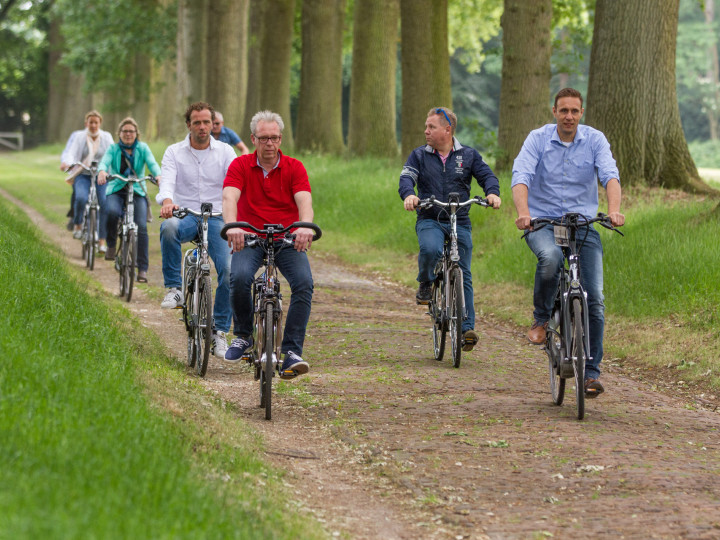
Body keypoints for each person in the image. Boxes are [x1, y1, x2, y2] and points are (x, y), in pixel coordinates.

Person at [511, 87, 625, 398]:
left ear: (581, 113)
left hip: (582, 224)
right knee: (549, 259)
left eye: (574, 111)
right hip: (544, 223)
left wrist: (613, 210)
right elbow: (520, 175)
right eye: (564, 111)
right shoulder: (538, 139)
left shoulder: (595, 140)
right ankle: (542, 318)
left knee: (595, 299)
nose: (569, 117)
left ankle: (590, 373)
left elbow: (610, 175)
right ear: (554, 111)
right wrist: (524, 213)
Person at [222, 110, 316, 379]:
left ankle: (292, 351)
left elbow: (304, 200)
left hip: (286, 238)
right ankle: (242, 336)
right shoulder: (240, 165)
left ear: (281, 139)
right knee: (239, 277)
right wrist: (233, 225)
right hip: (249, 236)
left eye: (274, 138)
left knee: (304, 283)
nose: (269, 144)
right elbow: (229, 197)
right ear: (253, 139)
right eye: (263, 138)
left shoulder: (294, 167)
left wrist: (304, 226)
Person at [399, 107, 502, 352]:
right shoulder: (419, 155)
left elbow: (487, 176)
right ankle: (425, 282)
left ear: (448, 130)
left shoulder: (468, 155)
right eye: (426, 126)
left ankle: (467, 328)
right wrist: (409, 195)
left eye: (431, 127)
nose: (426, 131)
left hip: (460, 220)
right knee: (431, 248)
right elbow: (406, 178)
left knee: (463, 271)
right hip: (430, 218)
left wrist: (492, 193)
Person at [157, 102, 237, 359]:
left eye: (207, 122)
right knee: (168, 227)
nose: (203, 127)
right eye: (197, 122)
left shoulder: (225, 151)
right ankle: (174, 288)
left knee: (229, 271)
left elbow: (235, 184)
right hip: (186, 214)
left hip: (216, 217)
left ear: (213, 124)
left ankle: (220, 332)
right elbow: (167, 179)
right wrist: (167, 201)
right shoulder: (174, 152)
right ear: (188, 125)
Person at [98, 118, 162, 283]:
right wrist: (102, 172)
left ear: (136, 134)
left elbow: (152, 164)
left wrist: (158, 175)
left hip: (137, 189)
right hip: (117, 188)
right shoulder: (113, 148)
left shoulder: (143, 148)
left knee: (141, 227)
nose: (128, 134)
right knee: (111, 211)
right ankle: (111, 245)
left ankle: (142, 269)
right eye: (124, 131)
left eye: (131, 131)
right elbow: (104, 162)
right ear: (119, 133)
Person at [61, 111, 114, 252]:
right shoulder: (80, 137)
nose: (93, 125)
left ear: (100, 123)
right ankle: (77, 224)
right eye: (91, 122)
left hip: (101, 176)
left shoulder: (106, 137)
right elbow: (71, 153)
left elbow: (113, 154)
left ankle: (102, 240)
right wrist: (68, 163)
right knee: (81, 198)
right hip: (82, 174)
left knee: (104, 203)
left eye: (96, 122)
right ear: (87, 123)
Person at [60, 129, 84, 231]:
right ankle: (74, 216)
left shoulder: (101, 136)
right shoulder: (76, 135)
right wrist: (65, 162)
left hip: (94, 171)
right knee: (77, 192)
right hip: (77, 170)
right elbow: (68, 151)